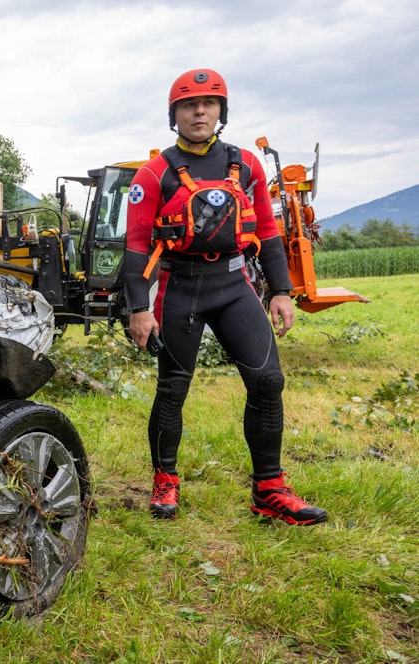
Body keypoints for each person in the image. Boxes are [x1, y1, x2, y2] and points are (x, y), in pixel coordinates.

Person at [122, 68, 327, 526]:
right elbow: (136, 244)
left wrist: (281, 291)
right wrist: (139, 309)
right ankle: (166, 481)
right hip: (179, 288)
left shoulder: (247, 164)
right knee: (173, 389)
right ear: (174, 114)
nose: (199, 111)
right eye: (189, 105)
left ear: (221, 111)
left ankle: (269, 491)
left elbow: (270, 232)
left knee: (269, 382)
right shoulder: (154, 173)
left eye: (209, 103)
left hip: (235, 286)